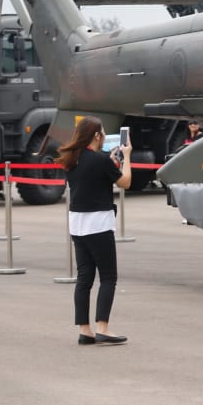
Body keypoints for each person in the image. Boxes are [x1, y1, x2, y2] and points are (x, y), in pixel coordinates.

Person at [55, 117, 132, 345]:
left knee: (84, 278)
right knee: (108, 277)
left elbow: (92, 175)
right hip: (98, 224)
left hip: (77, 224)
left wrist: (108, 161)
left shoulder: (71, 160)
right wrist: (126, 157)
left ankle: (85, 330)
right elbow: (125, 182)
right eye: (103, 132)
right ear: (97, 136)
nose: (105, 135)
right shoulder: (100, 161)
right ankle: (103, 327)